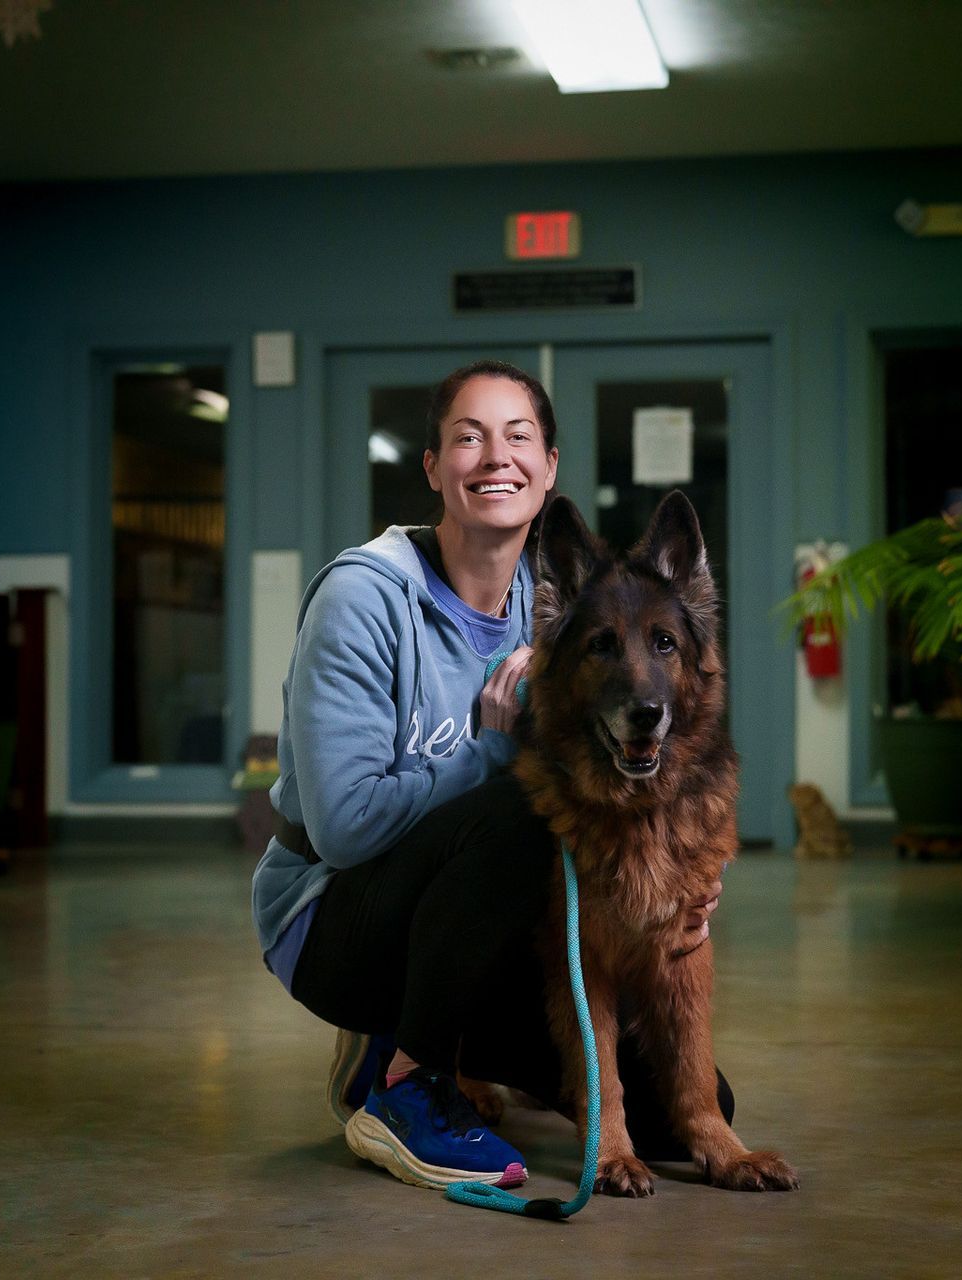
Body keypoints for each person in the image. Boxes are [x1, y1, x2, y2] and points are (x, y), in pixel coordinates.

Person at [250, 359, 726, 1191]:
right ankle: (405, 1086)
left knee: (672, 1118)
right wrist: (490, 748)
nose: (494, 456)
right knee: (517, 807)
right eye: (467, 437)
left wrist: (683, 879)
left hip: (475, 926)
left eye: (518, 437)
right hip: (334, 915)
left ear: (547, 469)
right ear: (433, 467)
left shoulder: (552, 615)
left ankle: (445, 1044)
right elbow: (343, 827)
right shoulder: (362, 599)